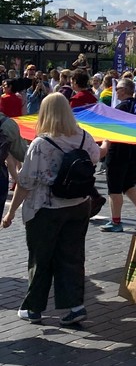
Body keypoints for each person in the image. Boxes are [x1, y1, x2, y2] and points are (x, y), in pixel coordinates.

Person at [2, 93, 100, 325]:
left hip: (46, 208)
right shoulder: (85, 137)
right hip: (78, 205)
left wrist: (11, 212)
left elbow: (25, 183)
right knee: (72, 256)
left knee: (41, 257)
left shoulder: (41, 144)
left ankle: (34, 308)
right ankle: (75, 306)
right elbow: (95, 158)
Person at [97, 79, 136, 233]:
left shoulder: (121, 107)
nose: (116, 91)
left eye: (118, 88)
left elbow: (109, 128)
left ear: (124, 90)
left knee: (114, 189)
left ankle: (116, 222)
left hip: (118, 153)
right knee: (128, 185)